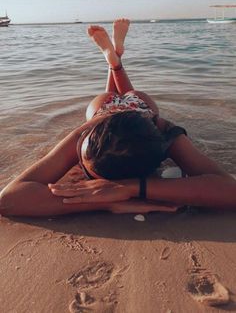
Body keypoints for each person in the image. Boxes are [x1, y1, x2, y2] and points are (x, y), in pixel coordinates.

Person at [0, 19, 235, 217]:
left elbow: (11, 199)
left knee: (112, 96)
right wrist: (110, 199)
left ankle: (114, 62)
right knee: (121, 96)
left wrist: (127, 189)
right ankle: (115, 62)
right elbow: (8, 200)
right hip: (121, 113)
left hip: (119, 111)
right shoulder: (158, 130)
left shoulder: (89, 138)